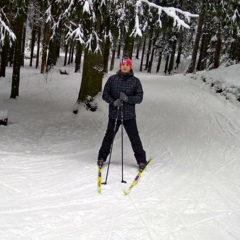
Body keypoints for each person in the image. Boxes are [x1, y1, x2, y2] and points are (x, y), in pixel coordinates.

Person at [97, 56, 147, 171]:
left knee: (134, 138)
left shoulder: (135, 81)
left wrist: (127, 99)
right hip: (114, 114)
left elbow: (139, 98)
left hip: (129, 115)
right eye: (123, 65)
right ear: (120, 66)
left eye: (127, 65)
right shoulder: (112, 79)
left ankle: (141, 160)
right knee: (109, 136)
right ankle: (101, 157)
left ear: (130, 67)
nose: (125, 67)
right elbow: (105, 94)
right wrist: (113, 102)